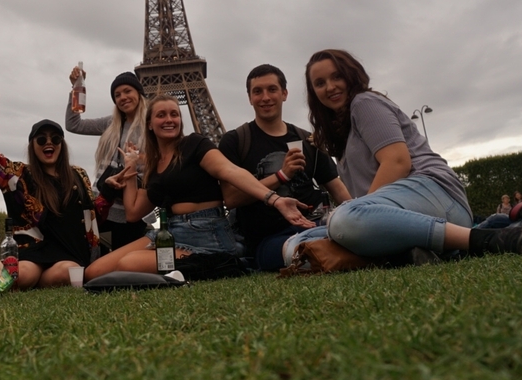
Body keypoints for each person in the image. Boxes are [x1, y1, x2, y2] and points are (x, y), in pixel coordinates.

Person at [284, 49, 522, 265]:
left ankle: (482, 239)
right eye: (320, 83)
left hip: (436, 194)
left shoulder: (364, 102)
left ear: (351, 74)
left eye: (336, 76)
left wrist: (357, 211)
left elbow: (397, 162)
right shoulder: (343, 134)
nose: (330, 87)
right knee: (295, 246)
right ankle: (411, 252)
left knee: (343, 221)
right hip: (400, 214)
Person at [84, 94, 314, 281]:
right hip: (169, 232)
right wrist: (132, 168)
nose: (169, 119)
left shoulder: (194, 144)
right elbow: (134, 212)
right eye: (161, 115)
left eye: (174, 114)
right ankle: (188, 267)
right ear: (150, 124)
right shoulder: (153, 164)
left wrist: (274, 199)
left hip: (206, 232)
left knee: (129, 263)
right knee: (93, 271)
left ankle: (219, 262)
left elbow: (230, 171)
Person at [218, 64, 351, 271]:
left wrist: (358, 215)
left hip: (315, 225)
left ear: (284, 94)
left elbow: (337, 188)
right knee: (304, 248)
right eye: (257, 91)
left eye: (272, 89)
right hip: (270, 240)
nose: (265, 97)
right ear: (249, 98)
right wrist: (281, 175)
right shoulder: (235, 141)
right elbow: (232, 198)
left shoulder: (307, 140)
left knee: (334, 236)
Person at [0, 86, 103, 289]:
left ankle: (35, 284)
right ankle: (23, 281)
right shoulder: (21, 175)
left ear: (62, 144)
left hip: (69, 253)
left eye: (55, 139)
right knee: (23, 275)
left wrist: (113, 190)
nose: (48, 143)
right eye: (41, 139)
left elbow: (95, 213)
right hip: (34, 251)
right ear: (32, 146)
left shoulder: (78, 174)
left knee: (67, 271)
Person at [64, 67, 150, 251]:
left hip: (130, 208)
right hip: (102, 203)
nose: (123, 97)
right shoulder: (111, 123)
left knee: (123, 267)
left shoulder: (152, 126)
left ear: (139, 93)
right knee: (91, 260)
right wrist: (75, 89)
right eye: (117, 95)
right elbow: (73, 124)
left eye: (128, 91)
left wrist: (139, 158)